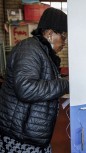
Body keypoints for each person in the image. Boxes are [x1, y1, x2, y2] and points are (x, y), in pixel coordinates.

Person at [0, 8, 69, 152]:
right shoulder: (29, 49)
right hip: (19, 138)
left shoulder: (42, 51)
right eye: (63, 36)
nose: (65, 42)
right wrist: (66, 84)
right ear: (50, 34)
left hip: (32, 136)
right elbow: (26, 88)